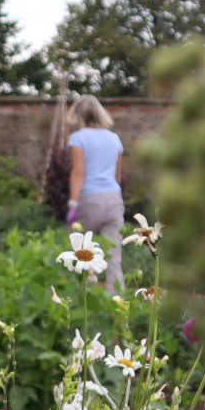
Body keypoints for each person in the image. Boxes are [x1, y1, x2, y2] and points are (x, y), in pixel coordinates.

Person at [63, 95, 125, 289]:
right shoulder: (115, 138)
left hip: (89, 199)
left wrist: (73, 203)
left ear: (79, 115)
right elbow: (118, 176)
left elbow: (78, 171)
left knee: (80, 252)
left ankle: (85, 298)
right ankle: (118, 308)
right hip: (114, 199)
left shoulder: (78, 138)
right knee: (113, 256)